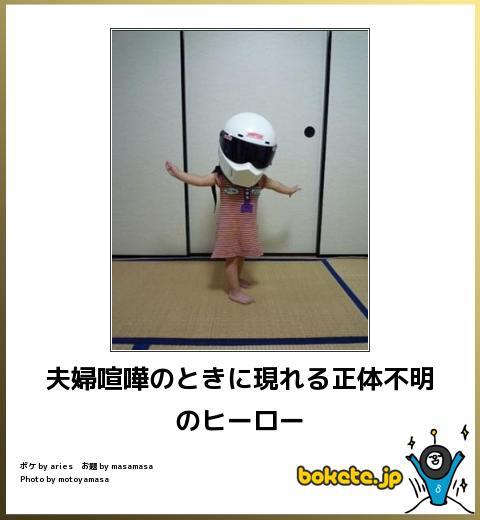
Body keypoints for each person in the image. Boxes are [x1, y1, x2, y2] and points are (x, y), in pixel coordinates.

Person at [165, 112, 300, 305]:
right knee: (231, 258)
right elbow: (199, 180)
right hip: (229, 228)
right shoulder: (221, 177)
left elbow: (276, 184)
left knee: (242, 254)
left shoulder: (260, 180)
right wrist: (179, 174)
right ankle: (234, 291)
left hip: (247, 227)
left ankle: (237, 280)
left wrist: (289, 190)